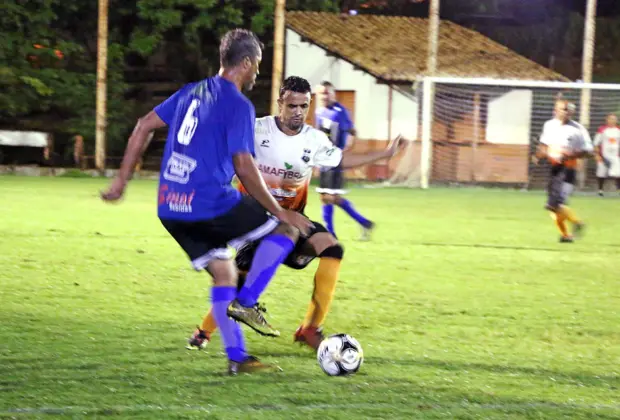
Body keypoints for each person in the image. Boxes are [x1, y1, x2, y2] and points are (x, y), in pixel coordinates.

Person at [101, 29, 312, 375]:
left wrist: (122, 181)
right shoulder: (238, 104)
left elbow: (142, 126)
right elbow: (244, 165)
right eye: (257, 63)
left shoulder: (190, 92)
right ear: (245, 63)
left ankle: (237, 358)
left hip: (170, 207)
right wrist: (278, 208)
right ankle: (246, 304)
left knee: (224, 270)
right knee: (288, 229)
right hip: (208, 201)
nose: (258, 71)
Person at [187, 76, 405, 351]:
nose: (298, 112)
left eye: (304, 106)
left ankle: (310, 328)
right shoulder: (255, 130)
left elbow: (339, 160)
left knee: (331, 247)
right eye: (292, 106)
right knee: (238, 282)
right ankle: (204, 331)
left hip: (292, 221)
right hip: (251, 225)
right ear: (280, 103)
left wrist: (383, 154)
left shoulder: (313, 139)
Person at [314, 81, 374, 240]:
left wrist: (348, 144)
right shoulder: (319, 112)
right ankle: (364, 223)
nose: (324, 96)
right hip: (324, 159)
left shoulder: (340, 112)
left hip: (335, 159)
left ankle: (330, 234)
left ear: (333, 94)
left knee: (329, 197)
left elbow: (352, 131)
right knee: (329, 197)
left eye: (327, 92)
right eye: (321, 93)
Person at [535, 99, 593, 243]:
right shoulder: (549, 125)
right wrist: (539, 154)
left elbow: (588, 152)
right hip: (554, 168)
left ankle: (577, 223)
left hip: (568, 169)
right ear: (555, 110)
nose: (565, 112)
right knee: (553, 208)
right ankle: (566, 235)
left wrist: (569, 155)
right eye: (562, 109)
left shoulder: (578, 129)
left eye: (568, 110)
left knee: (555, 204)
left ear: (572, 112)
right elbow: (544, 145)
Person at [594, 113, 620, 196]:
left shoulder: (618, 130)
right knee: (601, 173)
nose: (612, 121)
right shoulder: (602, 130)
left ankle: (618, 189)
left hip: (616, 156)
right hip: (603, 156)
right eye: (611, 119)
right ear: (607, 120)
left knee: (618, 173)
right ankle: (600, 190)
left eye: (614, 119)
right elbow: (596, 143)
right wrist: (597, 155)